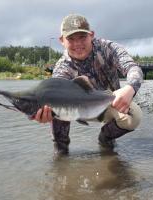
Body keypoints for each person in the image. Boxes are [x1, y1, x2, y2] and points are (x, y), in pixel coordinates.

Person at [34, 14, 143, 154]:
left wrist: (130, 88)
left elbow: (133, 68)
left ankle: (106, 138)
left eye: (82, 37)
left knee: (135, 116)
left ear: (91, 35)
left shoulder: (107, 48)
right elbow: (54, 96)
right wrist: (43, 112)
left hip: (109, 104)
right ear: (62, 40)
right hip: (77, 109)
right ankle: (61, 152)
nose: (77, 44)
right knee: (57, 104)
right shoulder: (62, 68)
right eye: (71, 39)